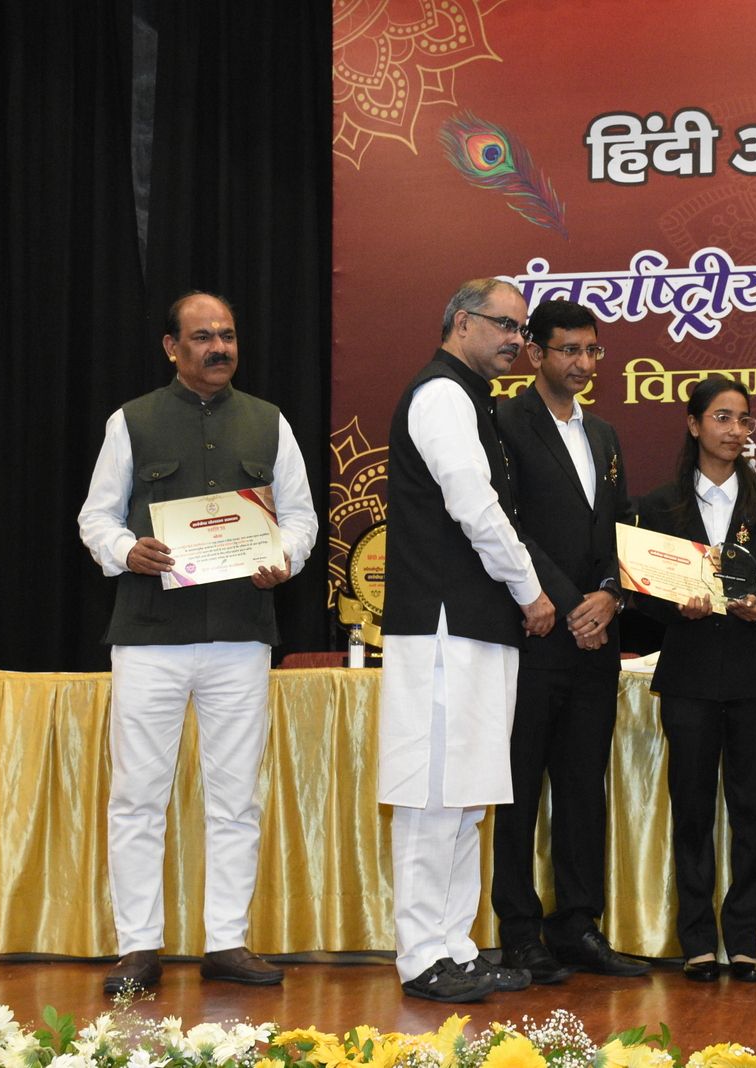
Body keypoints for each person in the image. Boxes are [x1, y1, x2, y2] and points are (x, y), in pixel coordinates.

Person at [77, 292, 318, 994]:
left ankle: (226, 943)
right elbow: (95, 517)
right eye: (204, 336)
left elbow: (301, 517)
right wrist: (126, 550)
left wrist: (286, 557)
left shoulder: (270, 421)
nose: (219, 348)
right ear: (171, 347)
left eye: (229, 336)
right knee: (137, 797)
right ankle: (137, 948)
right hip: (149, 637)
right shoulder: (131, 420)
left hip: (241, 636)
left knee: (236, 798)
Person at [378, 278, 556, 1004]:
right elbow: (473, 505)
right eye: (504, 325)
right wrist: (530, 589)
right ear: (459, 323)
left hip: (476, 625)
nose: (517, 340)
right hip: (444, 624)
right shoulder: (442, 395)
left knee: (467, 798)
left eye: (521, 328)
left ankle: (455, 947)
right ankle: (422, 957)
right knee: (432, 795)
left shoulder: (473, 399)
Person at [491, 300, 649, 984]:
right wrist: (569, 602)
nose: (584, 363)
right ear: (536, 354)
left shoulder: (604, 433)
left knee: (584, 787)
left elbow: (621, 525)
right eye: (570, 351)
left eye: (593, 351)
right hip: (534, 633)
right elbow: (507, 524)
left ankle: (577, 925)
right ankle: (519, 932)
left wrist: (611, 593)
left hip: (596, 639)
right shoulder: (505, 422)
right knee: (519, 789)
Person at [633, 377, 756, 984]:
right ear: (694, 424)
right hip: (689, 674)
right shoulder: (661, 505)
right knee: (692, 810)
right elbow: (643, 593)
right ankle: (698, 941)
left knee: (751, 810)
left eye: (744, 420)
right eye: (722, 418)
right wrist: (674, 603)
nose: (736, 430)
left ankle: (745, 940)